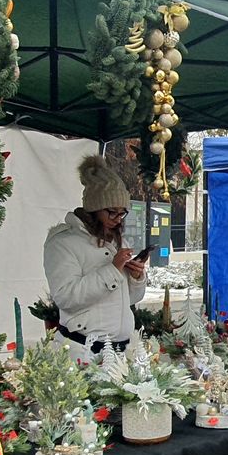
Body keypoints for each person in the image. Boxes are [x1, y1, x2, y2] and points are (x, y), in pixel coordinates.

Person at [43, 155, 146, 363]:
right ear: (94, 208)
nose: (117, 220)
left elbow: (130, 300)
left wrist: (136, 278)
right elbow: (66, 297)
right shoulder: (63, 243)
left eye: (122, 214)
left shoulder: (116, 240)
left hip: (120, 354)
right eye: (112, 212)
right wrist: (113, 269)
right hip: (83, 354)